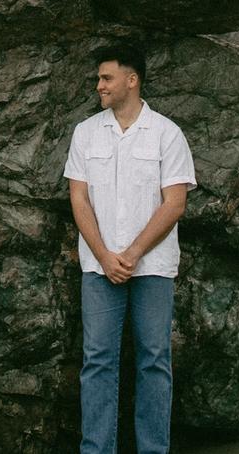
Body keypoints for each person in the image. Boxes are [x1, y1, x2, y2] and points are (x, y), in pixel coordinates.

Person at [63, 44, 197, 454]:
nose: (99, 85)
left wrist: (134, 253)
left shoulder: (167, 134)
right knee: (97, 362)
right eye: (100, 78)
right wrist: (105, 255)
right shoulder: (85, 132)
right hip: (98, 268)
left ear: (131, 80)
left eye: (106, 78)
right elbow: (79, 199)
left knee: (154, 362)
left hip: (153, 267)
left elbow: (174, 202)